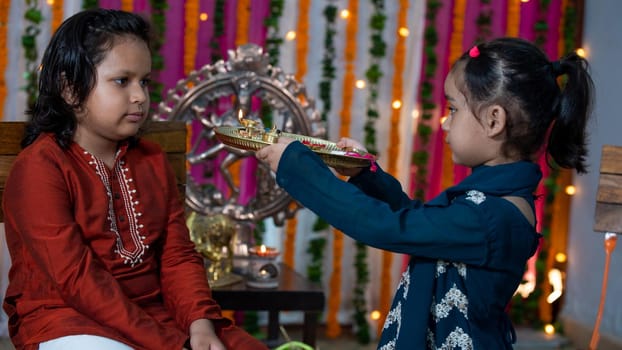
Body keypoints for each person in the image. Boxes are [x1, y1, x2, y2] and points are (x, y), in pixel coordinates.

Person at [256, 37, 594, 349]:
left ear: (494, 121)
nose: (445, 124)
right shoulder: (484, 201)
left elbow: (387, 226)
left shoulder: (491, 215)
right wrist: (366, 174)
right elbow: (418, 223)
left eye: (453, 109)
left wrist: (298, 169)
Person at [2, 9, 267, 350]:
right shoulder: (40, 167)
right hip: (67, 318)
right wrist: (171, 344)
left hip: (160, 313)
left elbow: (177, 256)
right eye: (122, 81)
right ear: (70, 89)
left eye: (144, 81)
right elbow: (76, 279)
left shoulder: (152, 160)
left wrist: (199, 327)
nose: (140, 96)